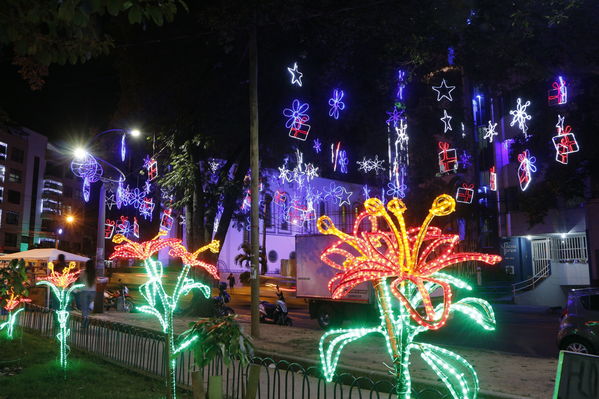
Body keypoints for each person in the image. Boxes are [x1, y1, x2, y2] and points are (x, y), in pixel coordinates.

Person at [78, 260, 96, 329]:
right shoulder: (95, 273)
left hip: (84, 291)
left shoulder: (83, 272)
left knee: (84, 307)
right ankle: (87, 319)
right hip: (93, 292)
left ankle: (84, 322)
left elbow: (80, 280)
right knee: (88, 307)